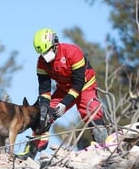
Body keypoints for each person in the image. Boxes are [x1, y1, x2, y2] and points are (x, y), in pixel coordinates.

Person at [15, 28, 109, 160]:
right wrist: (44, 107)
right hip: (63, 89)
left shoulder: (72, 52)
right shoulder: (41, 62)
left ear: (55, 44)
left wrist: (64, 104)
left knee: (92, 113)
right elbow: (44, 87)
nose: (45, 55)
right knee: (42, 116)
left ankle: (104, 149)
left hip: (85, 86)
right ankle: (30, 151)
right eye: (42, 53)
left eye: (47, 51)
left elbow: (78, 82)